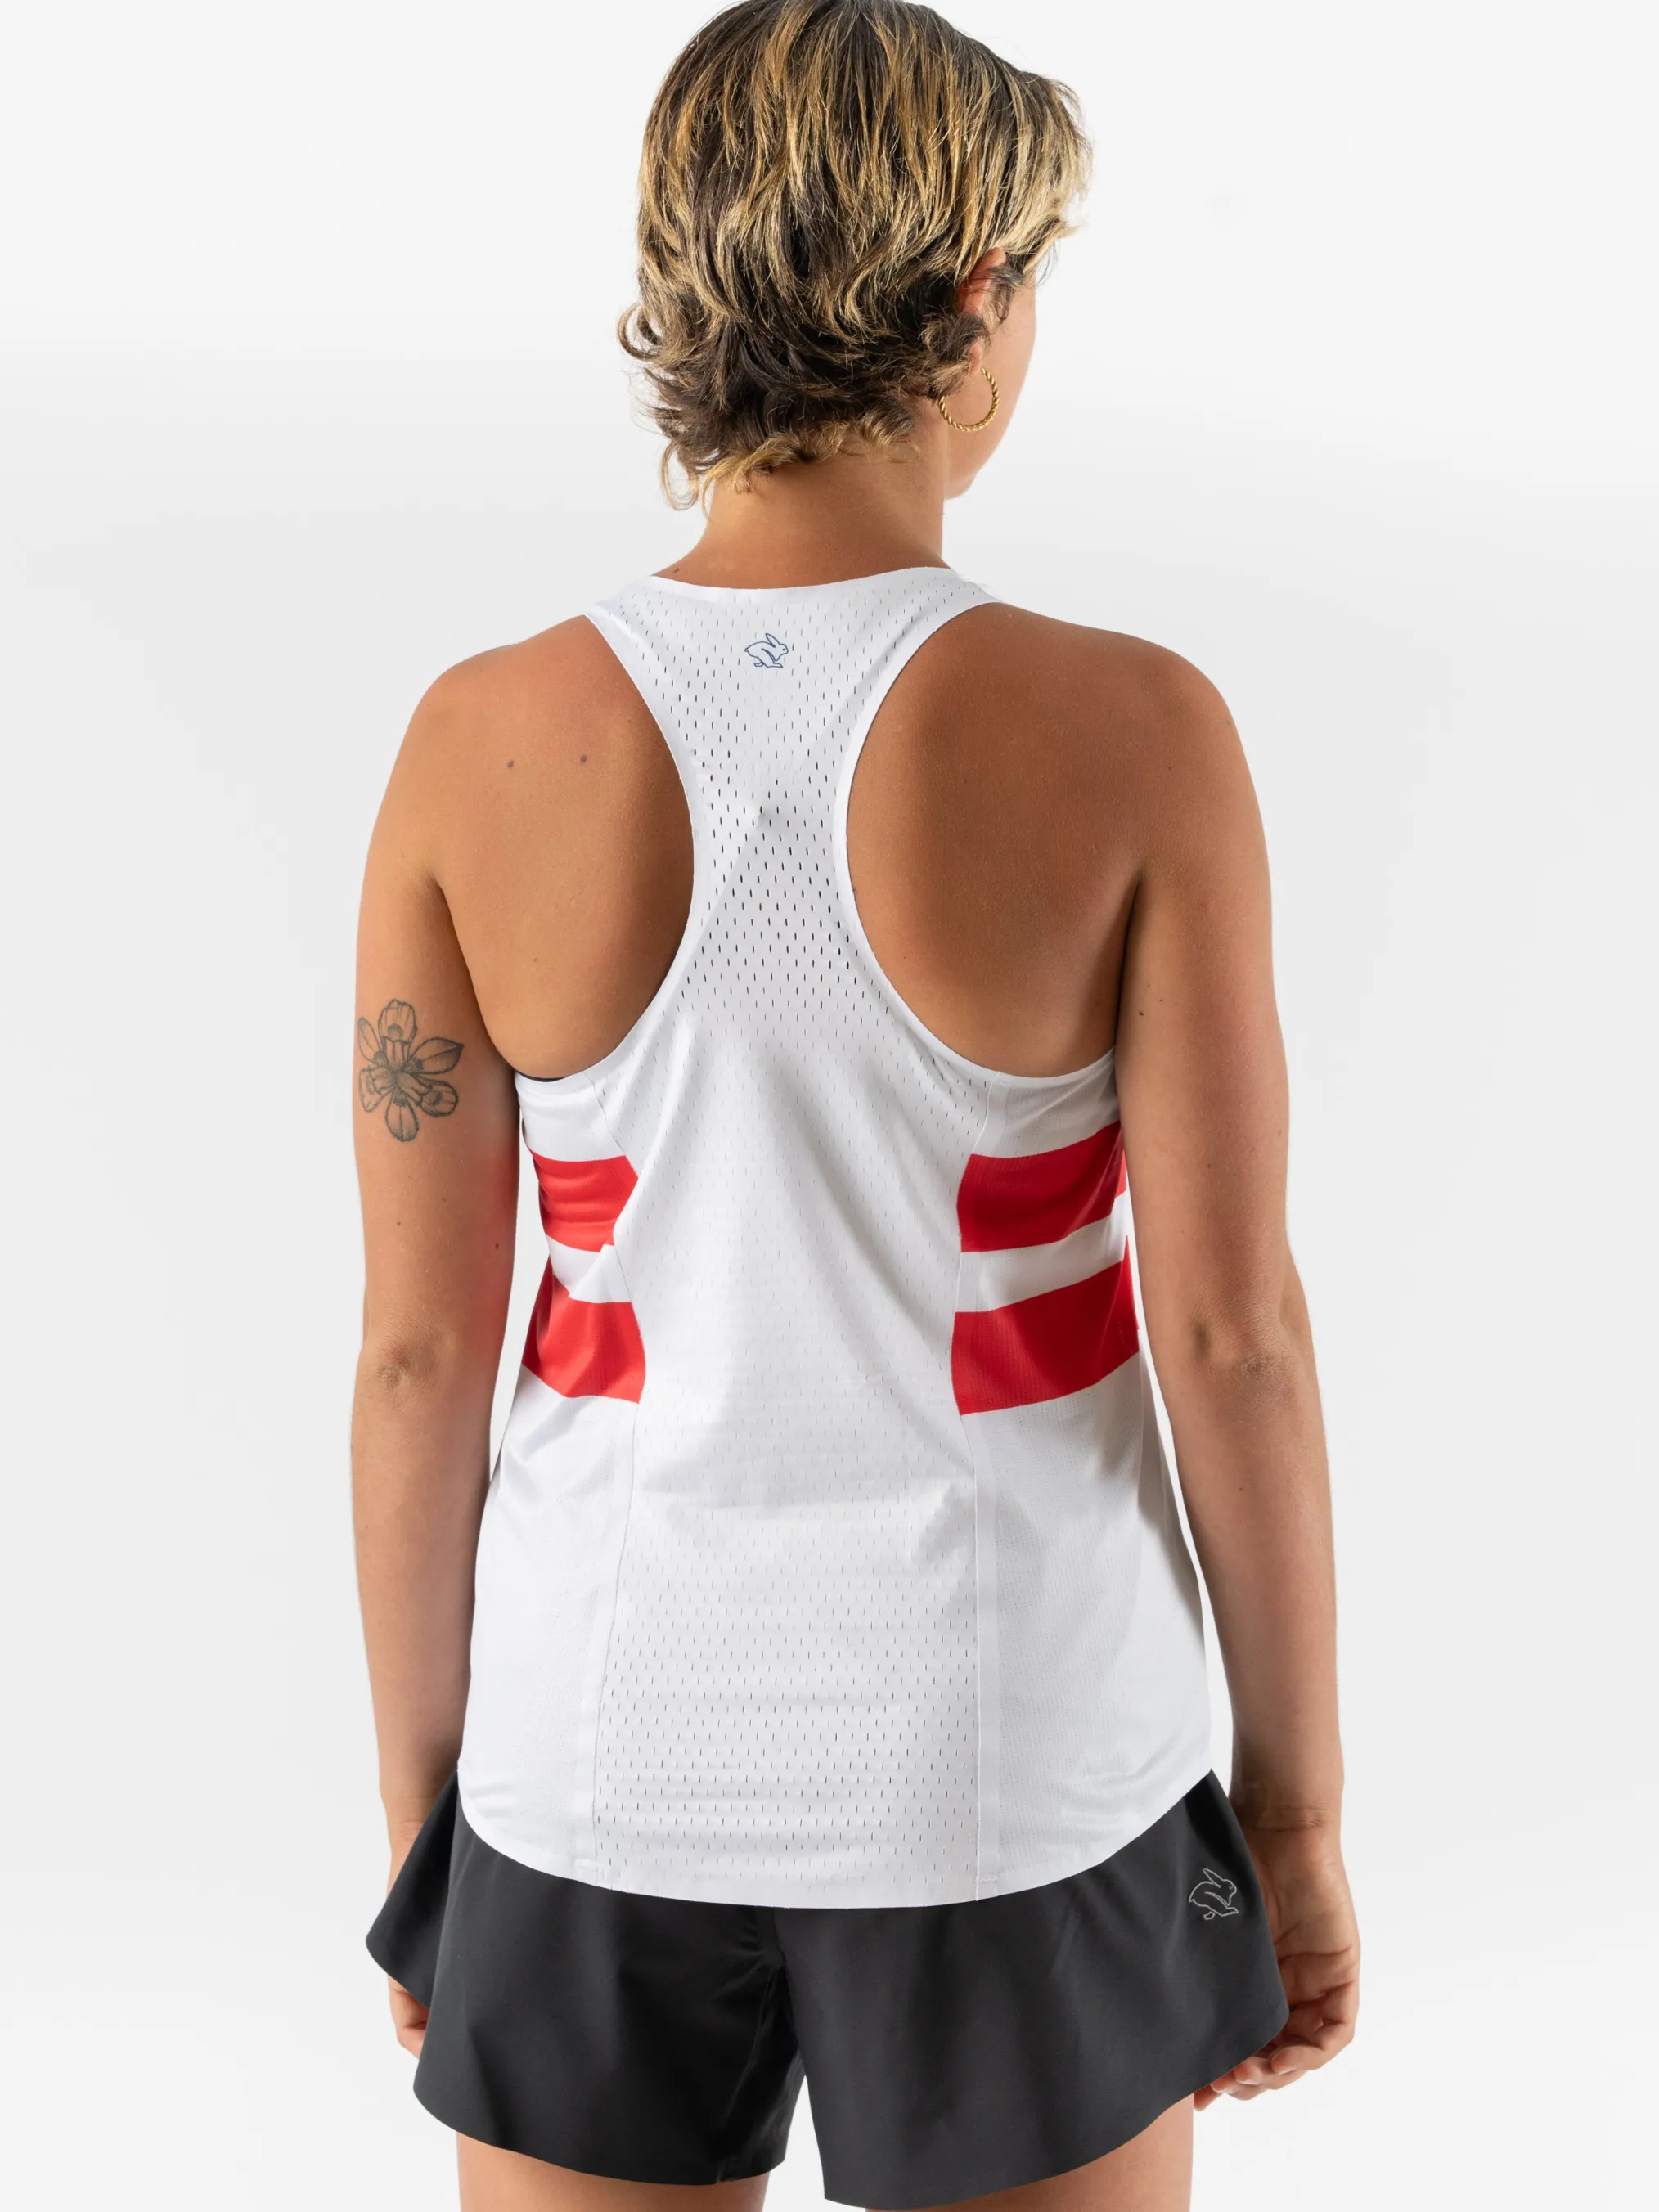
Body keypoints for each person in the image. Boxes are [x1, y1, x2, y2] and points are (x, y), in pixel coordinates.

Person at [351, 5, 1360, 2209]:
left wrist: (436, 1814)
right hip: (1023, 1779)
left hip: (589, 1767)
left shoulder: (473, 740)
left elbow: (421, 1353)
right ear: (977, 302)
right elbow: (1231, 1338)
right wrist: (1288, 1817)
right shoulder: (1133, 732)